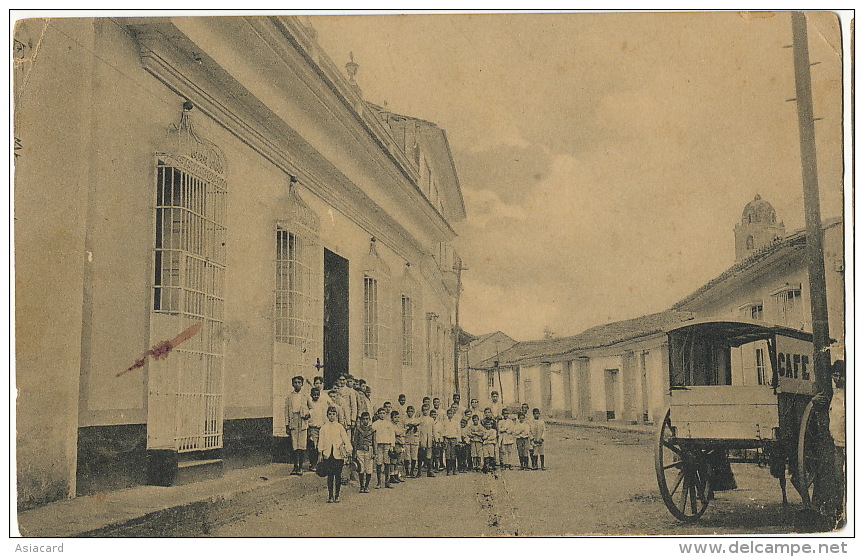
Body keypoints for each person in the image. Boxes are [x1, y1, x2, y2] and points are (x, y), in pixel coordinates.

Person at [318, 406, 352, 503]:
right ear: (327, 415)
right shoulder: (324, 427)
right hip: (328, 454)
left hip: (338, 455)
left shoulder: (339, 427)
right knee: (330, 476)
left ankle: (337, 495)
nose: (332, 416)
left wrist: (348, 450)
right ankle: (330, 496)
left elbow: (345, 439)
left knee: (337, 475)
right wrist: (320, 452)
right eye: (330, 414)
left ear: (336, 415)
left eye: (333, 414)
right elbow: (321, 441)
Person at [829, 359, 846, 526]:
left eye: (840, 376)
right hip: (837, 444)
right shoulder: (835, 394)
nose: (837, 379)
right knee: (838, 478)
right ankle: (840, 512)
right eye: (835, 375)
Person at [284, 375, 311, 475]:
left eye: (299, 382)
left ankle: (300, 466)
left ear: (302, 384)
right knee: (294, 444)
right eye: (295, 382)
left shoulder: (306, 396)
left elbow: (312, 408)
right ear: (292, 384)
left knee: (302, 444)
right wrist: (287, 425)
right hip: (293, 420)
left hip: (302, 421)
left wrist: (308, 414)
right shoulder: (289, 397)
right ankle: (295, 466)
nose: (297, 384)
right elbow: (286, 411)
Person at [307, 387, 331, 470]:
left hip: (321, 427)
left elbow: (324, 415)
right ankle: (312, 464)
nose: (316, 396)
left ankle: (320, 463)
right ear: (311, 395)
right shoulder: (310, 405)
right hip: (313, 428)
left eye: (318, 395)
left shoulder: (322, 404)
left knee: (321, 446)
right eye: (314, 395)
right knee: (313, 446)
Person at [372, 407, 396, 488]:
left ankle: (387, 482)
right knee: (379, 463)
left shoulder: (389, 424)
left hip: (387, 445)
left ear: (386, 414)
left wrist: (392, 445)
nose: (382, 415)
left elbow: (392, 435)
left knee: (387, 463)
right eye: (380, 413)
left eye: (383, 413)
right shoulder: (375, 424)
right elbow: (373, 435)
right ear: (378, 414)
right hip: (379, 445)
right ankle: (379, 482)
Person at [352, 411, 374, 493]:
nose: (365, 421)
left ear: (369, 420)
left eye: (367, 419)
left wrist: (375, 453)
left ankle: (367, 486)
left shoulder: (372, 430)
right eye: (363, 419)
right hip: (360, 450)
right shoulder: (358, 429)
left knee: (369, 468)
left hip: (369, 450)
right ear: (361, 420)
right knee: (361, 468)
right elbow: (355, 441)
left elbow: (374, 441)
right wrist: (354, 452)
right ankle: (361, 486)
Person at [416, 404, 435, 477]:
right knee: (421, 455)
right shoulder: (419, 419)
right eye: (424, 410)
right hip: (422, 438)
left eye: (426, 410)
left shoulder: (431, 419)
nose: (425, 411)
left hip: (429, 439)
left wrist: (435, 438)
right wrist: (419, 440)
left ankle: (429, 471)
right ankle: (419, 472)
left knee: (429, 455)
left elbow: (433, 430)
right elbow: (418, 430)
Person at [442, 407, 460, 476]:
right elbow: (442, 431)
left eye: (451, 413)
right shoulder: (444, 422)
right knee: (447, 455)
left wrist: (458, 440)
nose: (450, 415)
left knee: (453, 455)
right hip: (447, 439)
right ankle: (448, 470)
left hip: (454, 439)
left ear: (453, 414)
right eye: (448, 413)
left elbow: (458, 431)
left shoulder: (456, 422)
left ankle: (454, 470)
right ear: (447, 414)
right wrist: (444, 438)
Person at [403, 405, 420, 478]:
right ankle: (407, 472)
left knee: (414, 456)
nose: (410, 413)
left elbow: (418, 430)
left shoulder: (416, 420)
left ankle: (412, 472)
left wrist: (414, 426)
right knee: (407, 456)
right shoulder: (404, 420)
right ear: (406, 412)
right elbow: (403, 430)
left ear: (414, 412)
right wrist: (408, 428)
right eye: (409, 411)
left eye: (412, 411)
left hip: (414, 440)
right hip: (406, 439)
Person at [391, 411, 406, 483]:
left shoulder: (399, 425)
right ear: (392, 418)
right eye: (395, 417)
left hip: (400, 444)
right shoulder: (391, 426)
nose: (397, 419)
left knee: (398, 461)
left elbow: (402, 433)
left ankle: (397, 475)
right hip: (395, 444)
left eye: (398, 417)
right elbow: (396, 433)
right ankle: (392, 476)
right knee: (393, 461)